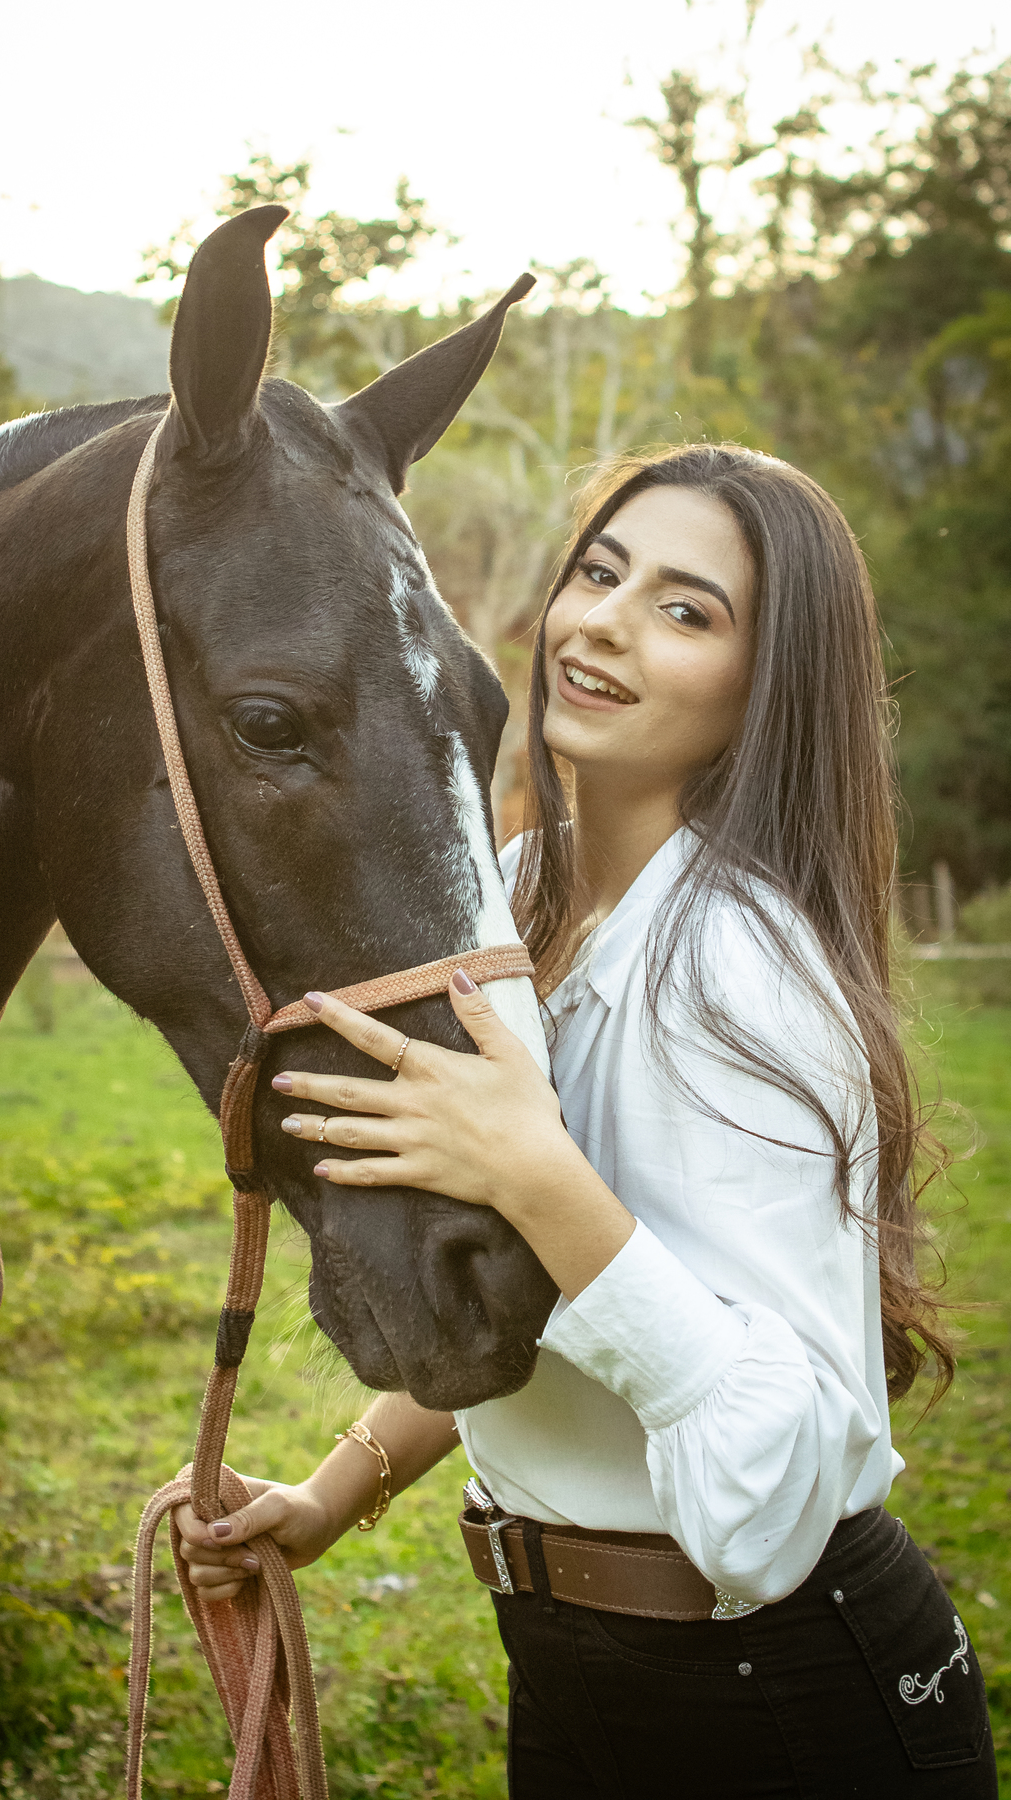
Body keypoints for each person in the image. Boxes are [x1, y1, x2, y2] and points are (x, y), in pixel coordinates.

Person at [174, 444, 997, 1797]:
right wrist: (329, 1496)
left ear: (763, 688)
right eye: (601, 574)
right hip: (568, 1670)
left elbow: (774, 1491)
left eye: (687, 609)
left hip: (786, 1703)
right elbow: (528, 1292)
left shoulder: (746, 972)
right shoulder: (518, 903)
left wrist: (538, 1173)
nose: (607, 619)